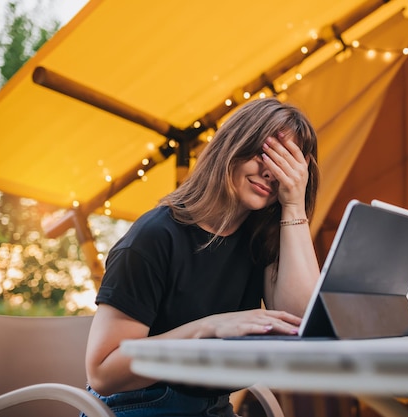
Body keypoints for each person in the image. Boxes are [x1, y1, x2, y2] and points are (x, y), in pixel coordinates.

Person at [81, 97, 321, 417]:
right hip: (138, 406)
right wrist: (207, 328)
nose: (270, 173)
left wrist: (293, 206)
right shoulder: (153, 237)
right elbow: (103, 373)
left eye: (285, 165)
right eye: (264, 153)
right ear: (232, 145)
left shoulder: (259, 239)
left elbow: (303, 324)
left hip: (214, 408)